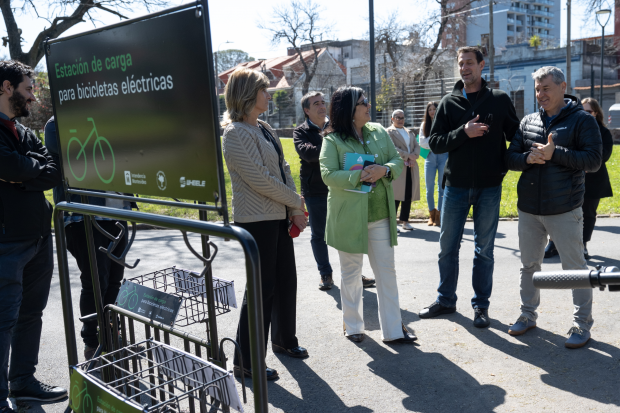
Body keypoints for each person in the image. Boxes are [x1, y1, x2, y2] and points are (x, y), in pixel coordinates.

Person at [420, 46, 520, 328]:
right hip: (455, 187)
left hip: (489, 187)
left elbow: (516, 135)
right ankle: (445, 300)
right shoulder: (448, 103)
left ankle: (481, 307)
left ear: (481, 65)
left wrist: (508, 163)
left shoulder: (499, 100)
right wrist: (463, 133)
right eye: (460, 63)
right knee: (447, 248)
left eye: (469, 63)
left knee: (484, 251)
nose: (464, 68)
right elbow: (435, 143)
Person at [505, 66, 602, 348]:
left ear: (562, 87)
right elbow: (510, 158)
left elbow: (593, 160)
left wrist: (554, 153)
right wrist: (527, 159)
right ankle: (527, 315)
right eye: (537, 89)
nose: (540, 94)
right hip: (529, 209)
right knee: (529, 266)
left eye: (546, 88)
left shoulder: (582, 120)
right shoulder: (529, 120)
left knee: (575, 268)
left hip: (564, 208)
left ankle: (582, 325)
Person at [222, 68, 309, 381]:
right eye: (263, 89)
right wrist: (296, 202)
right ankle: (245, 361)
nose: (268, 94)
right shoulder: (234, 134)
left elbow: (283, 169)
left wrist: (292, 206)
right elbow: (259, 180)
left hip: (278, 215)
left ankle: (285, 342)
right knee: (262, 289)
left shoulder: (265, 127)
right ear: (247, 94)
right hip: (255, 220)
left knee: (286, 282)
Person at [319, 86, 416, 344]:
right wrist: (358, 175)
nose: (368, 106)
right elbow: (327, 175)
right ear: (350, 110)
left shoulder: (378, 132)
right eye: (363, 102)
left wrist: (383, 169)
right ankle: (353, 327)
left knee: (387, 272)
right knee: (351, 274)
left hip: (380, 215)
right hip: (349, 217)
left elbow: (396, 160)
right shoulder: (332, 140)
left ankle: (394, 330)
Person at [0, 61, 66, 410]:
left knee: (31, 314)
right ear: (7, 87)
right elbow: (10, 166)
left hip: (40, 237)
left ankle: (22, 382)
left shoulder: (21, 131)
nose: (32, 94)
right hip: (6, 242)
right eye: (27, 88)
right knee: (3, 321)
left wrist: (23, 174)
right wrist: (24, 171)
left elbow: (52, 169)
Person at [44, 116, 133, 361]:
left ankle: (111, 334)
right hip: (82, 217)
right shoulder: (56, 123)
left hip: (116, 212)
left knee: (115, 279)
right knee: (95, 281)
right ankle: (92, 342)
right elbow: (76, 154)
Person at [293, 91, 375, 290]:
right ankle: (325, 274)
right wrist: (332, 145)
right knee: (319, 235)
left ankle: (354, 273)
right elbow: (308, 153)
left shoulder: (336, 126)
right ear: (306, 110)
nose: (322, 106)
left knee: (348, 232)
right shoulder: (300, 131)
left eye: (323, 102)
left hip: (342, 187)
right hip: (316, 191)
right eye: (316, 104)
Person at [543, 98, 613, 260]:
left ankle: (583, 245)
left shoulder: (604, 132)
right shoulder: (574, 127)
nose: (585, 114)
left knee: (588, 213)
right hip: (570, 177)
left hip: (593, 178)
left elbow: (605, 154)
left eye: (589, 112)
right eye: (582, 111)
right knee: (559, 211)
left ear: (596, 114)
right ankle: (553, 243)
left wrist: (586, 164)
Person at [386, 109, 420, 231]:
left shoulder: (409, 132)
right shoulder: (389, 132)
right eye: (398, 117)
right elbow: (392, 148)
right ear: (392, 118)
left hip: (410, 167)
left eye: (402, 117)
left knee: (408, 194)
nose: (400, 120)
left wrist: (414, 157)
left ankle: (405, 221)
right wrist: (408, 155)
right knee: (396, 195)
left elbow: (416, 146)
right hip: (398, 167)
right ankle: (393, 223)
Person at [419, 101, 447, 227]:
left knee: (441, 188)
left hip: (443, 156)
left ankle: (439, 215)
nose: (432, 111)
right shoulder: (424, 124)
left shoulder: (444, 123)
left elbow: (445, 140)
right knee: (429, 189)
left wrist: (431, 140)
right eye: (429, 109)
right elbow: (422, 143)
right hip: (429, 157)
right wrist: (436, 140)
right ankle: (431, 214)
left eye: (434, 109)